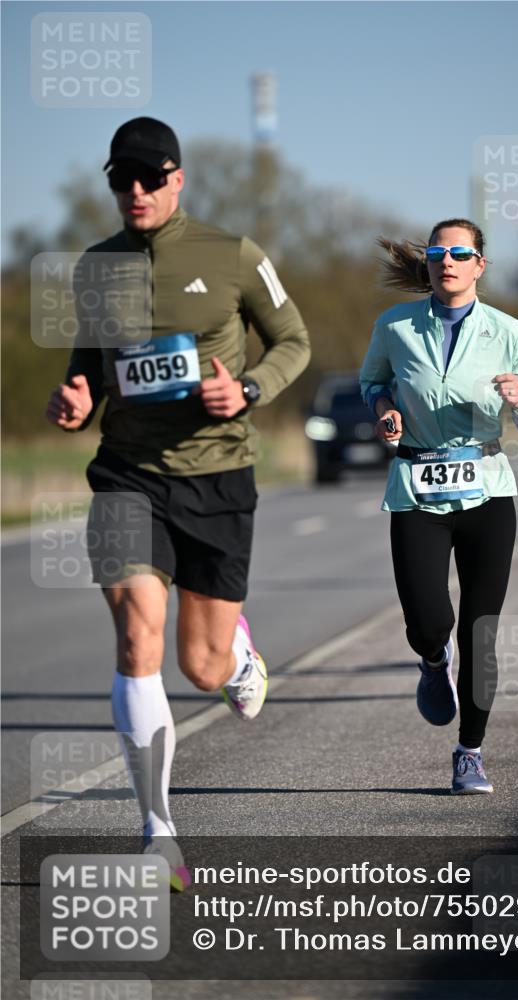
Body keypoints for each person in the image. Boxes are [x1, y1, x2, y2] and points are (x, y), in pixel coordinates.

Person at [45, 117, 310, 888]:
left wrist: (249, 387)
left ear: (177, 178)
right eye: (119, 180)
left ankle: (233, 654)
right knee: (136, 637)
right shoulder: (94, 269)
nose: (133, 191)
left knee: (197, 665)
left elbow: (291, 339)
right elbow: (86, 369)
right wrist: (75, 397)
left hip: (217, 474)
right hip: (126, 473)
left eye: (147, 178)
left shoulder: (232, 256)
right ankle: (157, 830)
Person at [360, 218, 518, 794]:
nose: (447, 261)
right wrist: (386, 411)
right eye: (439, 252)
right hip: (416, 487)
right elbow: (373, 384)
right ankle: (429, 658)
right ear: (430, 263)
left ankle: (470, 752)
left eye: (460, 253)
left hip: (487, 491)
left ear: (479, 266)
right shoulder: (394, 326)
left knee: (481, 630)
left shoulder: (508, 330)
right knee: (429, 621)